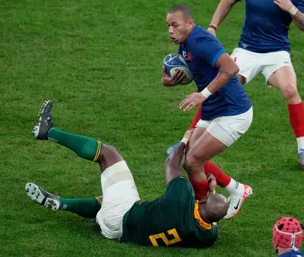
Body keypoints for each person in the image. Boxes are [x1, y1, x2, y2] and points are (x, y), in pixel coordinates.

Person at [26, 100, 229, 248]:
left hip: (123, 214)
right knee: (107, 199)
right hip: (121, 232)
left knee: (108, 153)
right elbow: (210, 219)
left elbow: (171, 162)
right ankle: (61, 203)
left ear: (202, 203)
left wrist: (185, 140)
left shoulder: (182, 196)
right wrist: (210, 195)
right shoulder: (208, 237)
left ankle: (47, 131)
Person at [205, 0, 304, 169]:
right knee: (219, 86)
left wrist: (293, 10)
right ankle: (188, 139)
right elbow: (228, 1)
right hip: (246, 51)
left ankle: (303, 149)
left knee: (290, 89)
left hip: (277, 53)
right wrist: (212, 27)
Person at [162, 5, 253, 219]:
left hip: (234, 113)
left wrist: (201, 95)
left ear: (190, 23)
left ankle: (201, 213)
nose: (170, 30)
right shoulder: (185, 44)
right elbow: (192, 72)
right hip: (213, 111)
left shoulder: (200, 41)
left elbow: (231, 68)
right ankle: (233, 189)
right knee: (189, 159)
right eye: (168, 26)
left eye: (175, 25)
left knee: (192, 161)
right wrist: (167, 81)